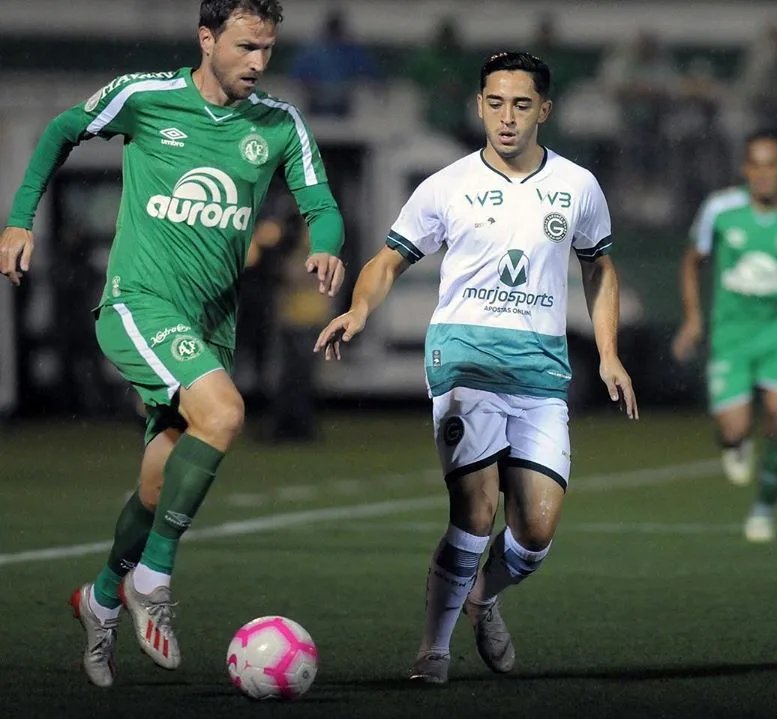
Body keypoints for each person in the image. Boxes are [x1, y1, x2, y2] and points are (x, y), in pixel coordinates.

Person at [0, 0, 346, 687]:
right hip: (138, 303)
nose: (258, 62)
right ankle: (151, 578)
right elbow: (63, 130)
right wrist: (18, 221)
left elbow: (320, 203)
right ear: (207, 38)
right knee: (224, 413)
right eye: (246, 46)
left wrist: (327, 248)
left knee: (158, 487)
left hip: (210, 326)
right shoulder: (146, 97)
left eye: (268, 50)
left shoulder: (278, 124)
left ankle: (99, 596)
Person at [315, 51, 638, 685]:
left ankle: (482, 596)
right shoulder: (446, 185)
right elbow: (388, 260)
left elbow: (598, 267)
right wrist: (357, 311)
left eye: (522, 105)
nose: (507, 117)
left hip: (542, 371)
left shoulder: (577, 186)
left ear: (544, 110)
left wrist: (608, 353)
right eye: (495, 103)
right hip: (464, 360)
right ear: (479, 106)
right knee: (476, 509)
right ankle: (432, 652)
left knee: (536, 533)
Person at [672, 130, 777, 543]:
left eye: (772, 164)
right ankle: (734, 442)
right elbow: (692, 263)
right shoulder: (721, 210)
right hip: (732, 335)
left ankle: (764, 508)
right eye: (755, 165)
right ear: (745, 169)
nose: (763, 174)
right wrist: (693, 319)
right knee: (734, 428)